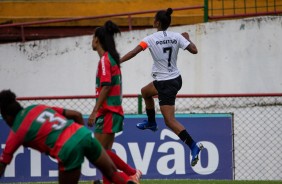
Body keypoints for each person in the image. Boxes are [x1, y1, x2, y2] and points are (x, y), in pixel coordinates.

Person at [120, 8, 203, 167]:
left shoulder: (150, 39)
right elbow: (194, 50)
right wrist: (188, 38)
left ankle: (193, 146)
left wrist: (118, 61)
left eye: (154, 18)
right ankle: (151, 122)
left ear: (157, 22)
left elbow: (135, 51)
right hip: (174, 79)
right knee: (145, 92)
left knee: (170, 121)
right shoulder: (177, 36)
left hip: (166, 84)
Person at [0, 89, 137, 184]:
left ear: (6, 116)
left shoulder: (17, 130)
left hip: (67, 148)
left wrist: (75, 147)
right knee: (113, 173)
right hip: (83, 134)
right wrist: (80, 141)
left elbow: (3, 163)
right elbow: (76, 115)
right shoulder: (36, 107)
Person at [87, 20, 142, 184]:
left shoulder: (105, 60)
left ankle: (131, 174)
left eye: (92, 38)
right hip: (112, 111)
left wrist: (94, 111)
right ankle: (113, 181)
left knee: (98, 152)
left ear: (97, 40)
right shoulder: (111, 59)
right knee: (104, 154)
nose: (91, 41)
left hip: (108, 112)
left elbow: (105, 86)